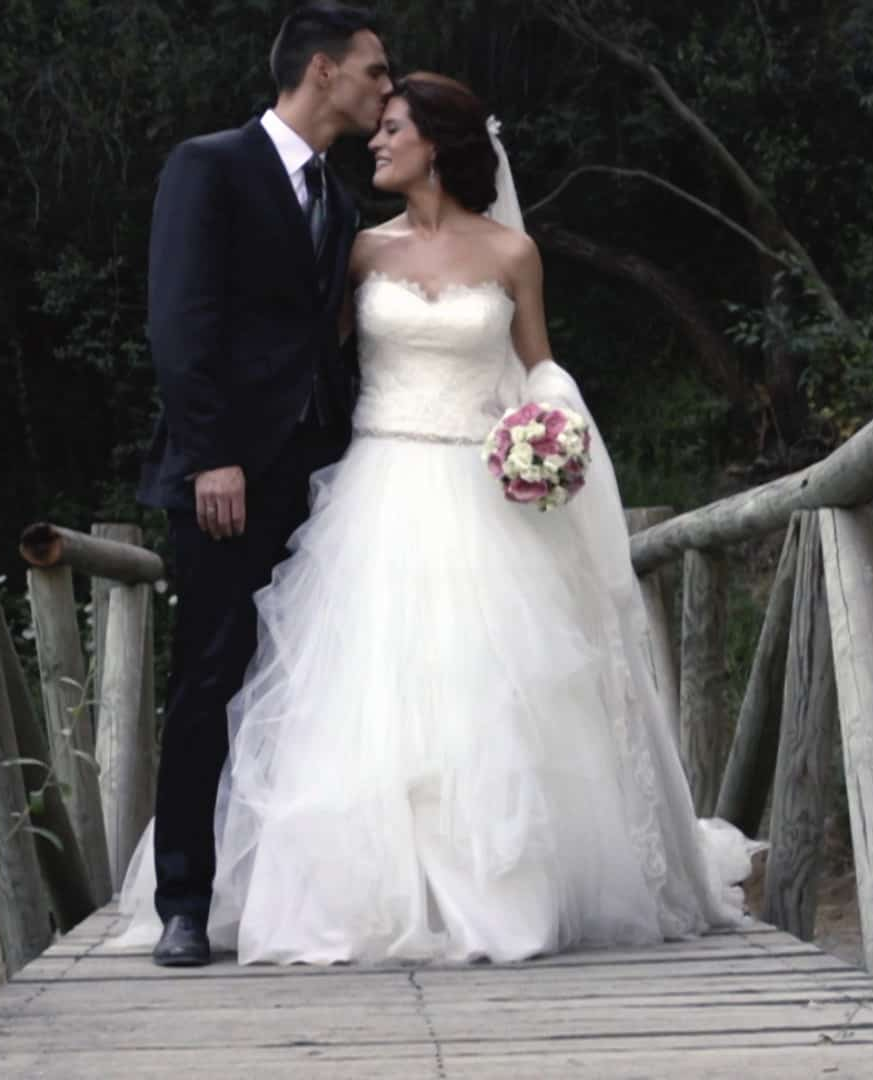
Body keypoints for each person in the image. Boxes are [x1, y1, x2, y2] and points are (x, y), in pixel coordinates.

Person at [116, 70, 757, 966]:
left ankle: (488, 891)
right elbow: (304, 358)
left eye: (393, 128)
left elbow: (537, 363)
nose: (375, 140)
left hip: (474, 485)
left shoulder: (510, 254)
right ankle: (359, 894)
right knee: (364, 694)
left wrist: (550, 426)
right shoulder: (359, 249)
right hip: (373, 486)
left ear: (439, 147)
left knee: (480, 688)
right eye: (377, 126)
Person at [135, 3, 391, 967]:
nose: (382, 88)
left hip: (321, 477)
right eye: (372, 70)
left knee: (305, 685)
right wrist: (210, 454)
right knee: (209, 672)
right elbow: (180, 317)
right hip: (227, 475)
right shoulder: (210, 166)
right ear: (322, 71)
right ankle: (184, 902)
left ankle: (287, 892)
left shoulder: (338, 193)